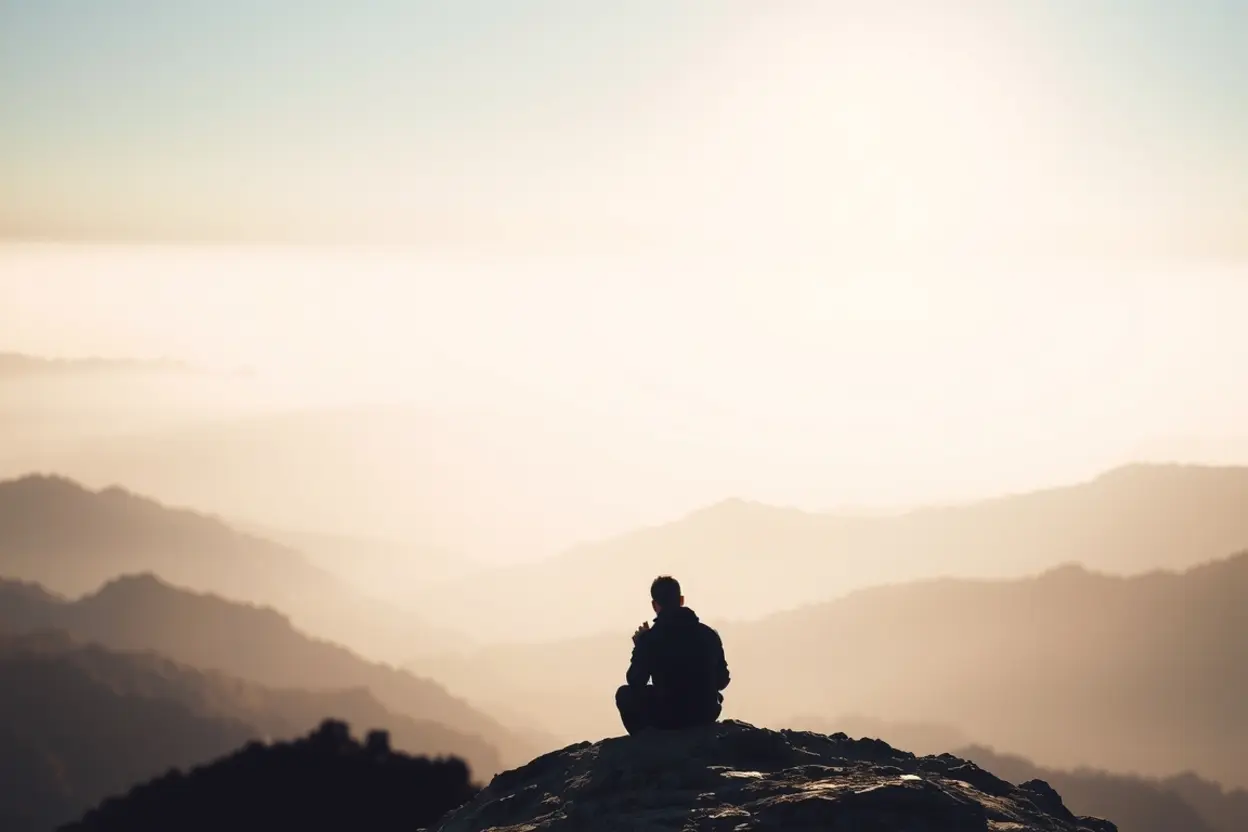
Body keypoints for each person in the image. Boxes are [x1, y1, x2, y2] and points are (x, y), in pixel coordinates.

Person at [615, 575, 730, 735]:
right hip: (705, 713)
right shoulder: (708, 634)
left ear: (655, 605)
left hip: (668, 717)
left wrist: (640, 646)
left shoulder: (650, 639)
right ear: (681, 600)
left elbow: (635, 680)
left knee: (624, 694)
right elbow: (722, 681)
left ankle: (645, 741)